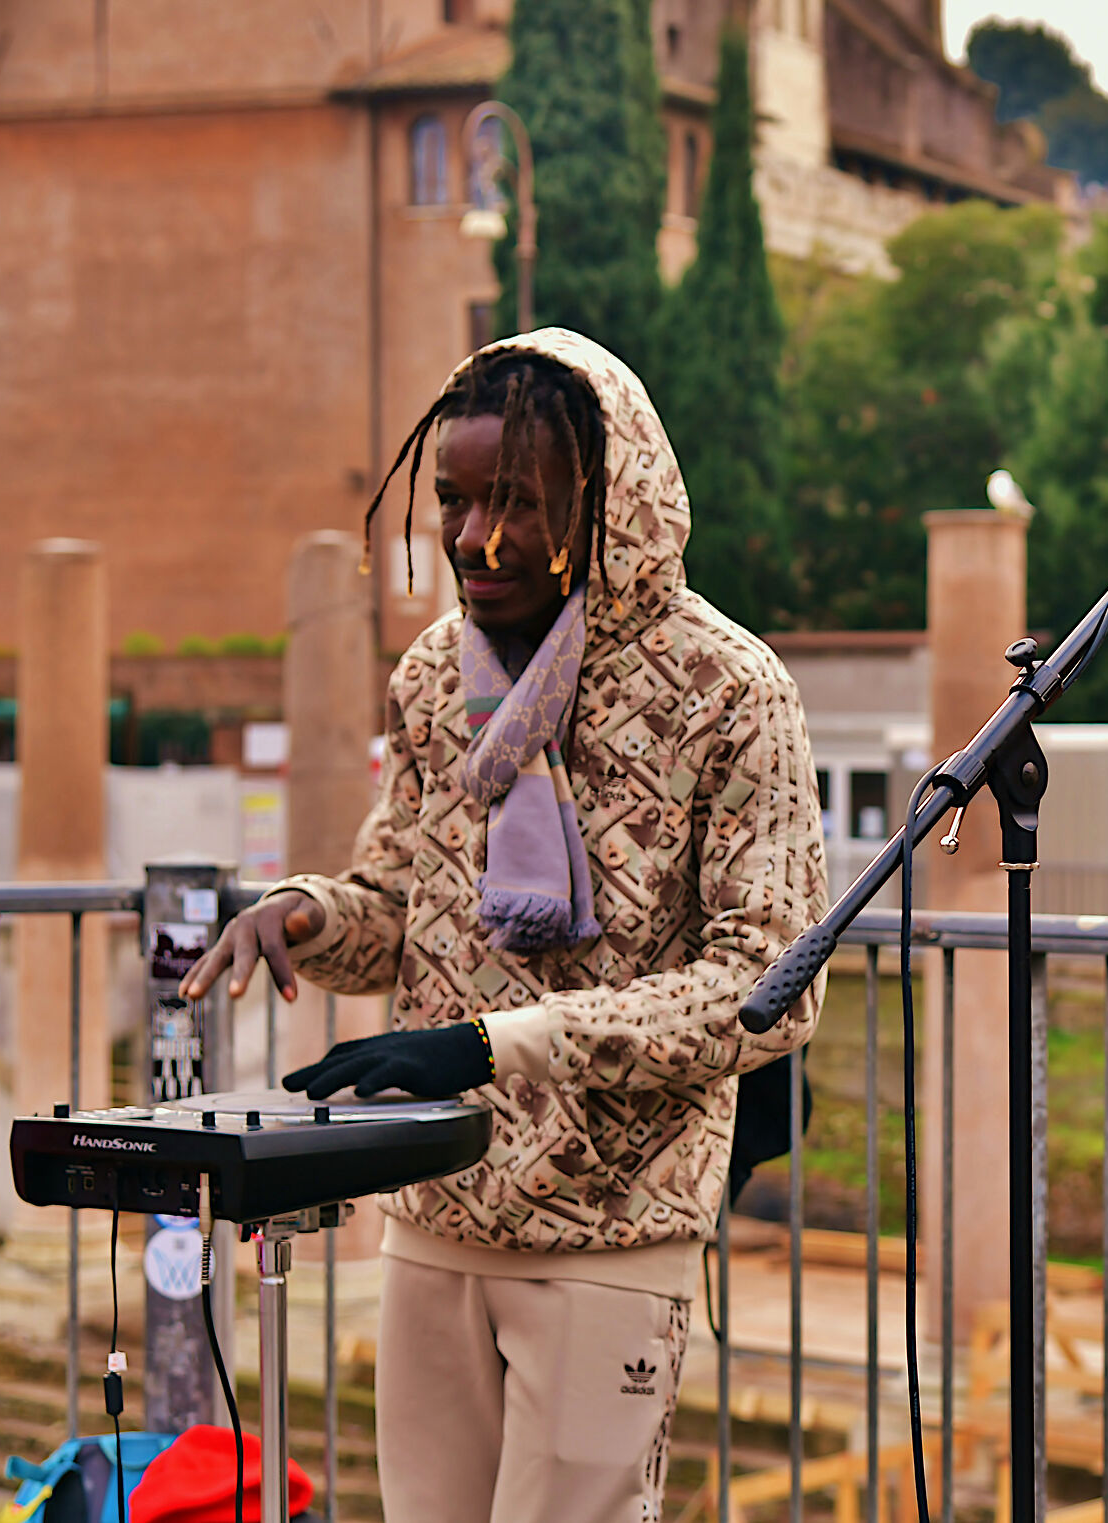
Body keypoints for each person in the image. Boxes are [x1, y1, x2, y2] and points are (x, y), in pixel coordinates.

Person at [181, 329, 826, 1523]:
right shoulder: (436, 675)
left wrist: (492, 1042)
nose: (477, 538)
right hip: (433, 1207)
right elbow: (397, 906)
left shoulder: (731, 686)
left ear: (609, 499)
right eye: (456, 499)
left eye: (518, 502)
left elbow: (767, 983)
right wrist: (306, 911)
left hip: (611, 1228)